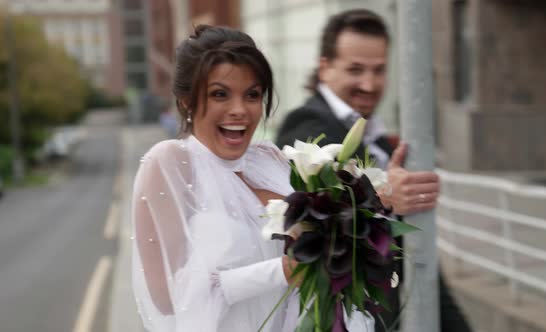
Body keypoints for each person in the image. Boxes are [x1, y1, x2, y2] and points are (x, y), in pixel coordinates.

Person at [131, 25, 373, 332]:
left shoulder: (270, 159)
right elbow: (169, 296)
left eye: (252, 95)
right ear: (186, 101)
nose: (239, 110)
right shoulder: (170, 162)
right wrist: (283, 271)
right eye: (219, 94)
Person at [276, 9, 472, 332]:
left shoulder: (377, 137)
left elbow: (416, 261)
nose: (369, 84)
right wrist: (384, 196)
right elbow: (321, 216)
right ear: (325, 68)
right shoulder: (306, 124)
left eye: (379, 70)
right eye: (355, 69)